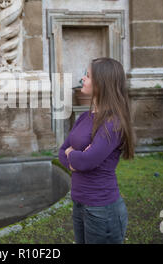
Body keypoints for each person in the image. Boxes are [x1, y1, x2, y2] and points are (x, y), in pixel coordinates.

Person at [58, 57, 135, 244]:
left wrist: (73, 154)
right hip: (79, 203)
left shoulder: (113, 122)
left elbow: (87, 161)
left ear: (102, 83)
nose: (83, 79)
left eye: (88, 75)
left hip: (102, 208)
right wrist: (77, 156)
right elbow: (61, 152)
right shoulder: (85, 117)